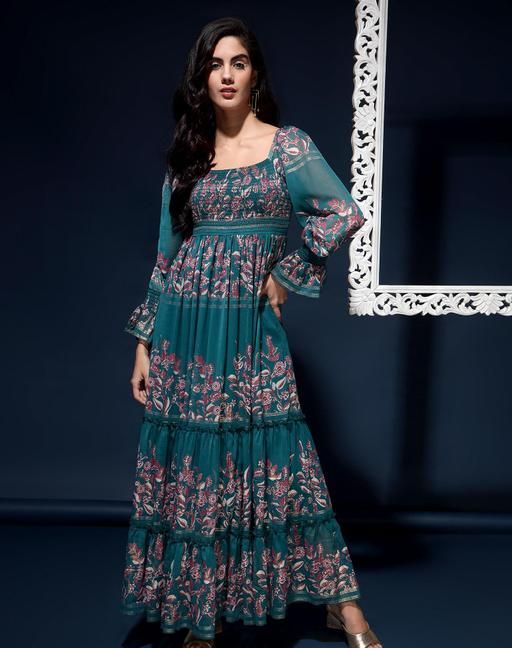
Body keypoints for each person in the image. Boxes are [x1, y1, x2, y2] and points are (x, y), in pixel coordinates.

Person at [121, 16, 382, 648]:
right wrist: (144, 342)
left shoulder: (287, 146)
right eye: (215, 64)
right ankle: (200, 613)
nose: (226, 75)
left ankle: (344, 608)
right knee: (197, 466)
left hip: (248, 328)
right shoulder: (189, 155)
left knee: (282, 456)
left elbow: (343, 211)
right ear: (202, 78)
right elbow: (166, 255)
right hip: (184, 329)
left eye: (237, 62)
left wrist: (287, 274)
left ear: (255, 74)